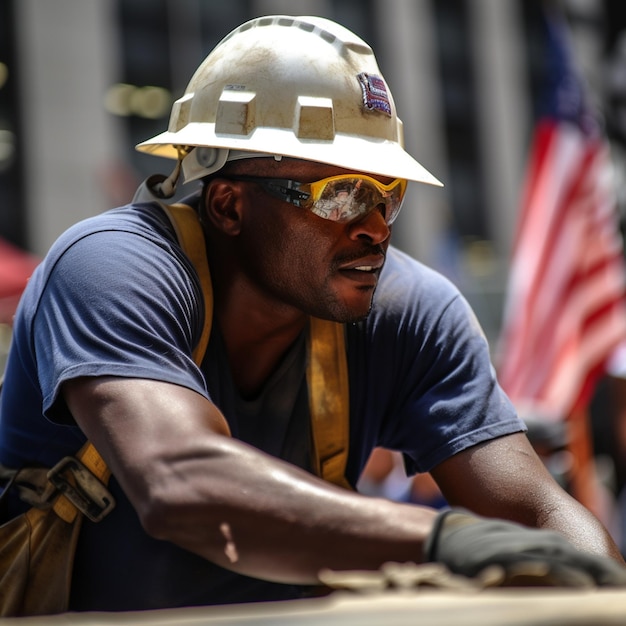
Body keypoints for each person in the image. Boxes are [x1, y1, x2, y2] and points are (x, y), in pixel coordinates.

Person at [1, 14, 625, 614]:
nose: (376, 229)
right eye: (344, 195)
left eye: (388, 196)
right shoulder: (111, 267)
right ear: (227, 206)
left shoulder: (410, 310)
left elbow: (539, 512)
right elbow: (179, 483)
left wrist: (601, 586)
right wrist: (437, 541)